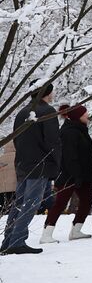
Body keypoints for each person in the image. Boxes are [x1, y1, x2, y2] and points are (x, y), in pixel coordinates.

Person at [2, 84, 61, 255]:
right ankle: (17, 241)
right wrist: (56, 163)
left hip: (22, 164)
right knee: (31, 203)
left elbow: (16, 139)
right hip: (39, 164)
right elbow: (53, 141)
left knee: (20, 203)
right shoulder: (48, 112)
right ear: (47, 93)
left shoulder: (22, 112)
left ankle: (8, 240)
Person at [40, 104, 92, 242]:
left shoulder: (80, 129)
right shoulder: (69, 132)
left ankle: (76, 231)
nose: (87, 115)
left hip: (82, 174)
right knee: (60, 203)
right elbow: (69, 156)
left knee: (87, 200)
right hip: (70, 175)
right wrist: (76, 175)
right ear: (78, 116)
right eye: (84, 114)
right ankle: (46, 234)